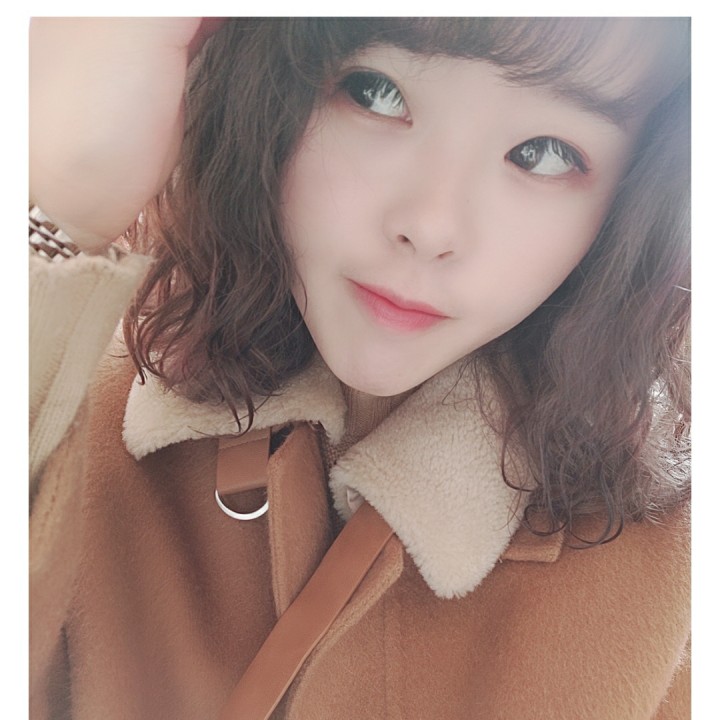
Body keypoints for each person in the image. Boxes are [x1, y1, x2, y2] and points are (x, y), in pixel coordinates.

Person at [29, 17, 690, 720]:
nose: (430, 227)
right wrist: (65, 217)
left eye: (544, 154)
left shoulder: (674, 577)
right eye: (375, 92)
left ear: (636, 201)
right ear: (261, 87)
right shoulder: (72, 396)